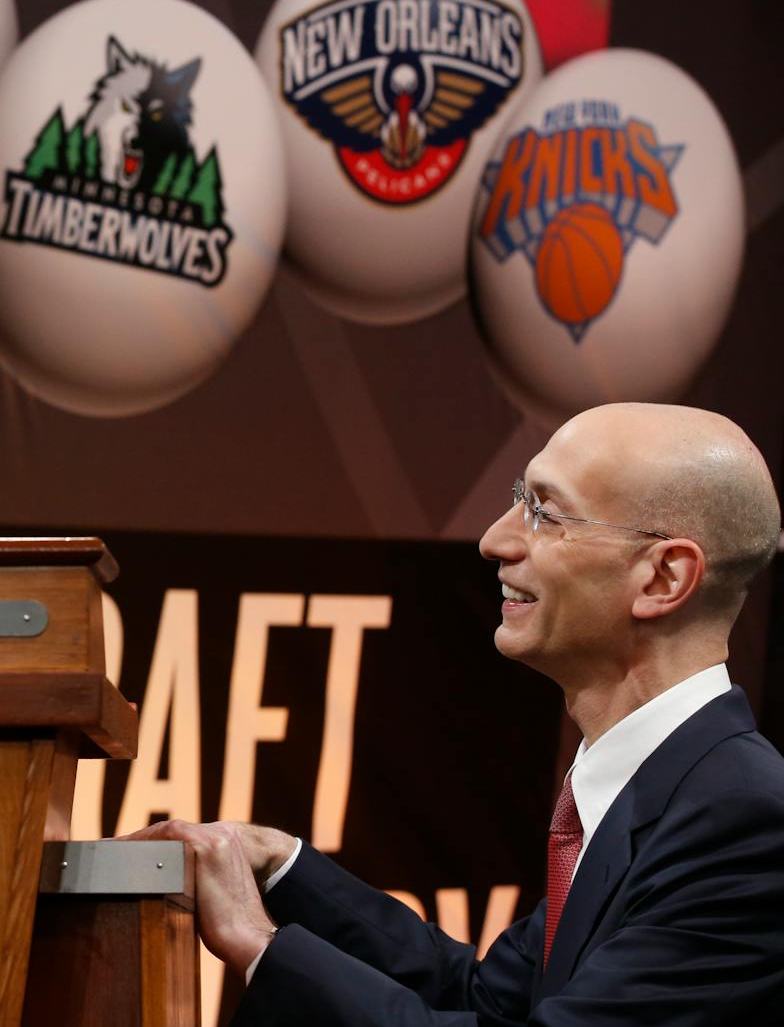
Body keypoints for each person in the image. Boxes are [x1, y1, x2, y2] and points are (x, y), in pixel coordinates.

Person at [127, 402, 784, 1024]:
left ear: (664, 577)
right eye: (517, 500)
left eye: (546, 514)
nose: (495, 540)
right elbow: (486, 1000)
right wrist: (279, 864)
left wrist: (259, 943)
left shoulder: (747, 822)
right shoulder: (649, 788)